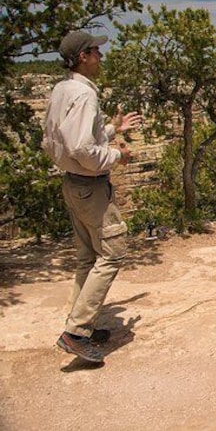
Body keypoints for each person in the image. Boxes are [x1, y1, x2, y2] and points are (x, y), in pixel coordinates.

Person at [42, 30, 143, 363]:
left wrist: (112, 128)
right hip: (90, 186)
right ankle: (75, 332)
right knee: (114, 251)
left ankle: (81, 324)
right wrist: (117, 156)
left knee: (88, 256)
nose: (101, 56)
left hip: (72, 183)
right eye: (96, 51)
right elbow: (83, 147)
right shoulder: (84, 95)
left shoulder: (62, 90)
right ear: (83, 56)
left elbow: (63, 138)